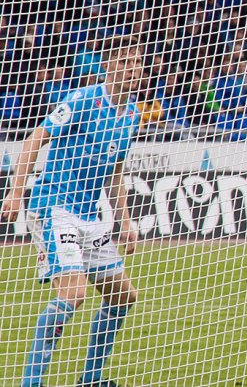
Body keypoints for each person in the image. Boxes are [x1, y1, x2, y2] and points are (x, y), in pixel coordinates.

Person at [0, 35, 143, 387]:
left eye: (136, 62)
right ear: (107, 66)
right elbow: (35, 138)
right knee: (74, 293)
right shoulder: (83, 99)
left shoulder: (133, 115)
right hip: (54, 207)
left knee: (123, 295)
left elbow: (115, 170)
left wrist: (125, 222)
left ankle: (91, 379)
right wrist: (15, 195)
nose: (131, 69)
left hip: (89, 215)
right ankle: (30, 384)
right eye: (123, 62)